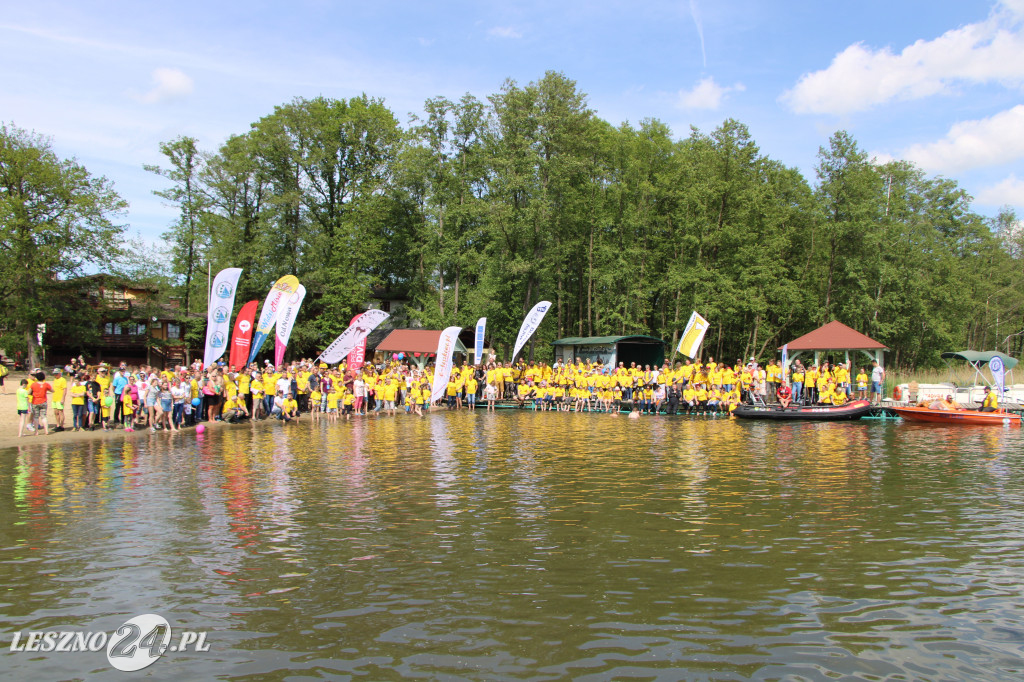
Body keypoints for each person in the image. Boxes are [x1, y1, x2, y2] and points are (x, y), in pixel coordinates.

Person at [29, 371, 53, 435]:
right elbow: (52, 390)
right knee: (44, 416)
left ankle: (36, 432)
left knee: (36, 417)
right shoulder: (46, 384)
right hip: (43, 401)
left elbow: (29, 392)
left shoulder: (33, 384)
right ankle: (46, 431)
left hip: (35, 402)